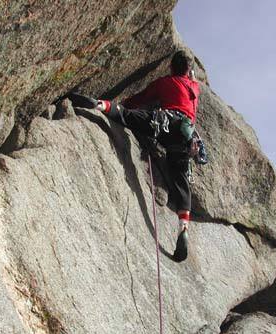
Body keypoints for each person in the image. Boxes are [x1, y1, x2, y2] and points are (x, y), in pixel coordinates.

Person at [67, 50, 201, 261]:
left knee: (129, 116)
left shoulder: (166, 82)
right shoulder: (195, 87)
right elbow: (192, 79)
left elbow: (141, 99)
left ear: (172, 68)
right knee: (182, 183)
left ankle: (99, 105)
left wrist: (124, 105)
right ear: (189, 71)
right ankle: (183, 228)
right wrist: (191, 76)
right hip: (185, 139)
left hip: (165, 124)